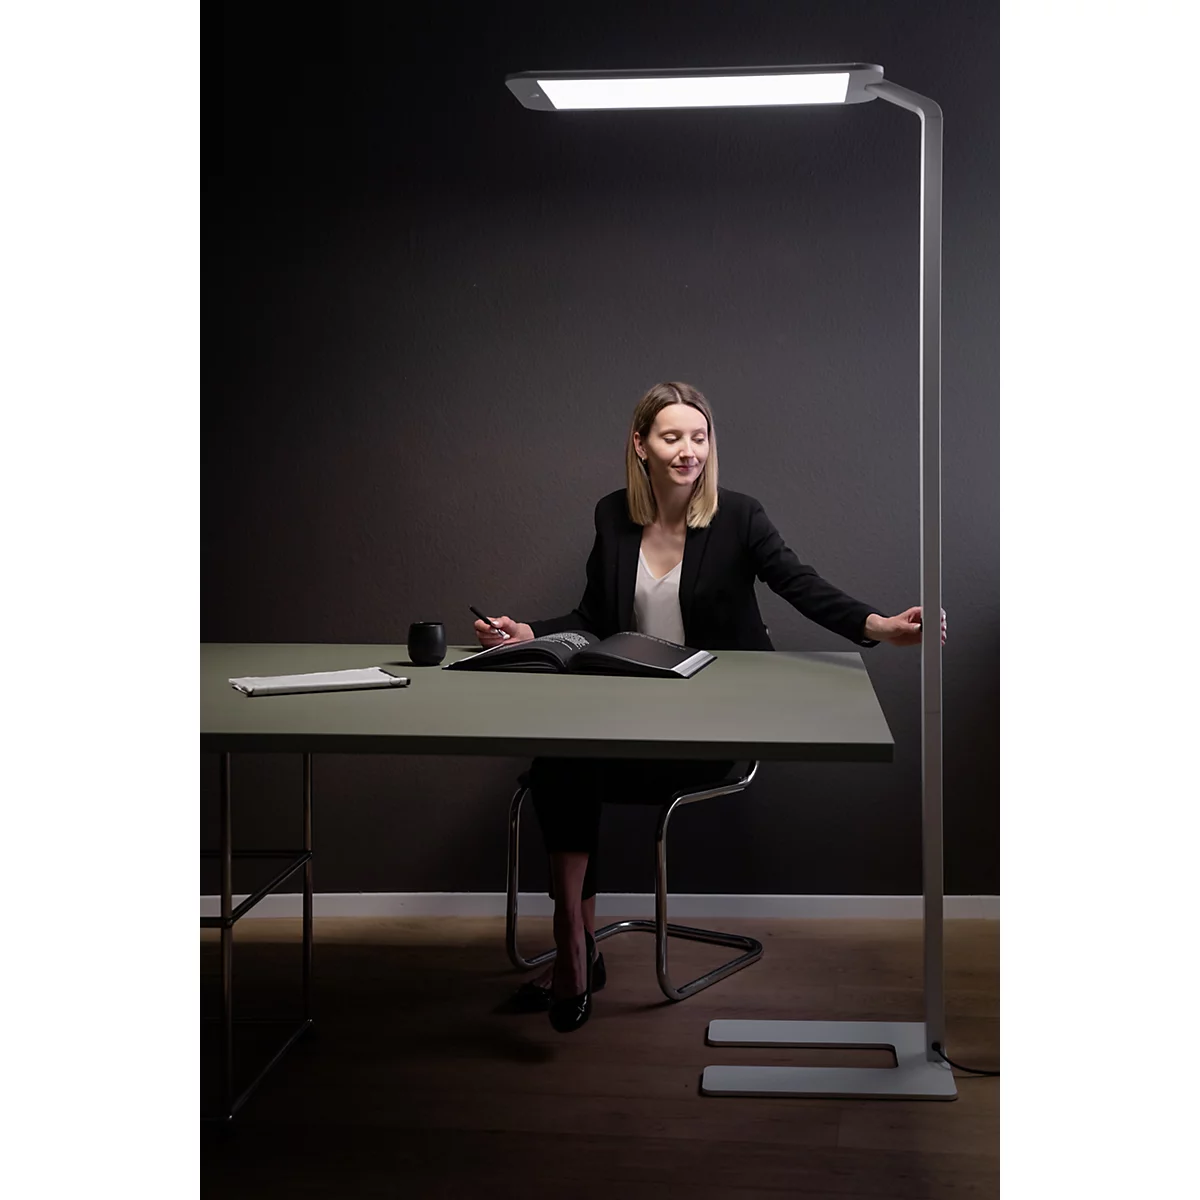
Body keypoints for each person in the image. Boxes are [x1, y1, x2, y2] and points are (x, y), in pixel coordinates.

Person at [475, 381, 946, 1032]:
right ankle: (574, 938)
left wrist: (881, 627)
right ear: (640, 445)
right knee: (558, 757)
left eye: (699, 437)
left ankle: (573, 945)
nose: (688, 450)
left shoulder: (740, 518)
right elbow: (594, 614)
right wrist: (530, 631)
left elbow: (800, 585)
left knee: (569, 761)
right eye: (672, 437)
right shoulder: (613, 515)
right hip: (628, 719)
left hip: (709, 726)